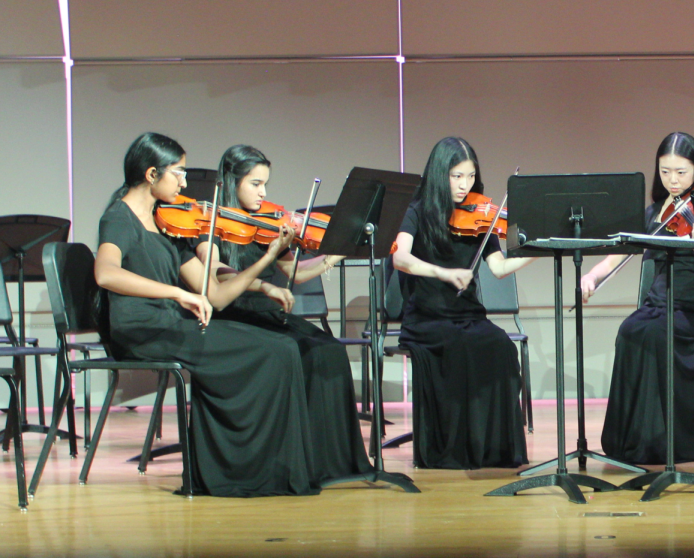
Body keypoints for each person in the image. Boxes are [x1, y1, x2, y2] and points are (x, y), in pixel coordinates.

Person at [95, 132, 317, 497]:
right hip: (142, 330)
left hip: (170, 326)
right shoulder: (119, 218)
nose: (185, 182)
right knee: (271, 352)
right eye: (178, 173)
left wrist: (268, 256)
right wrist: (177, 293)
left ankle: (263, 468)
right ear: (152, 174)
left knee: (282, 347)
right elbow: (106, 273)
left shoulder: (166, 223)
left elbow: (215, 293)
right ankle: (233, 473)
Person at [192, 144, 371, 484]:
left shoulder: (266, 223)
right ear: (233, 182)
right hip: (232, 316)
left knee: (328, 351)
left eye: (265, 185)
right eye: (255, 184)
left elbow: (296, 274)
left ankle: (326, 461)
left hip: (264, 313)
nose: (263, 193)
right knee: (291, 352)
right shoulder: (208, 224)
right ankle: (290, 460)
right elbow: (216, 274)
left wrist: (336, 255)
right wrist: (265, 277)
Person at [580, 131, 694, 464]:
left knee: (653, 333)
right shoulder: (655, 213)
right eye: (665, 172)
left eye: (681, 172)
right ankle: (633, 440)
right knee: (630, 330)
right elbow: (618, 254)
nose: (673, 180)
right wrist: (591, 276)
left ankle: (667, 443)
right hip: (658, 308)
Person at [391, 137, 532, 469]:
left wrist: (534, 252)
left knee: (501, 348)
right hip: (427, 317)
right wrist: (442, 272)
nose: (464, 185)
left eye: (470, 176)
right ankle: (454, 450)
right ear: (441, 174)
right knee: (464, 348)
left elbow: (498, 268)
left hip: (467, 315)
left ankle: (491, 449)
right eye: (456, 176)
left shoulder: (481, 215)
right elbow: (401, 258)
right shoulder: (416, 211)